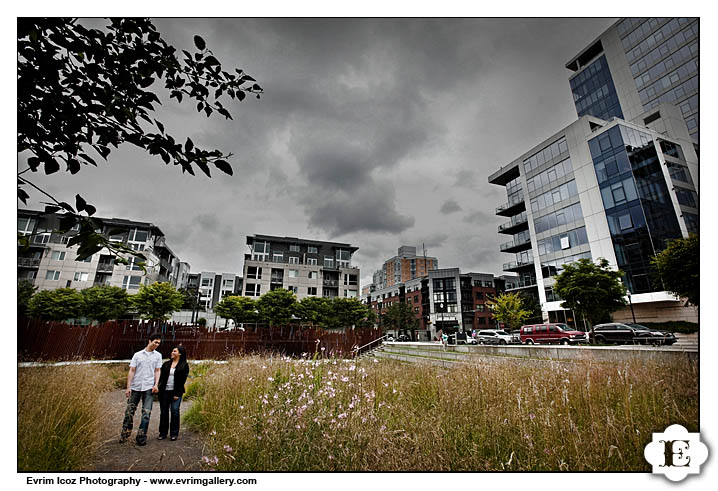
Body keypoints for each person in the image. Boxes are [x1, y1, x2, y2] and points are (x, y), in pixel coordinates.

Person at [120, 332, 163, 445]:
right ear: (150, 341)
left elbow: (157, 371)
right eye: (155, 342)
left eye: (159, 343)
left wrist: (156, 384)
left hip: (149, 388)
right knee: (129, 412)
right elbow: (132, 370)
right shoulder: (137, 355)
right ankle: (125, 433)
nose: (157, 345)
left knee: (146, 413)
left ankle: (141, 435)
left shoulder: (158, 356)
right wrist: (128, 387)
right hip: (136, 387)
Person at [157, 345, 190, 441]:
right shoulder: (166, 364)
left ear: (180, 353)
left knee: (175, 411)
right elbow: (161, 378)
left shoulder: (184, 365)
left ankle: (174, 433)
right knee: (164, 412)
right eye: (172, 351)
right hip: (164, 392)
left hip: (175, 392)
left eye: (174, 351)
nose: (172, 352)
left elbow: (182, 381)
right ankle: (163, 433)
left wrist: (177, 394)